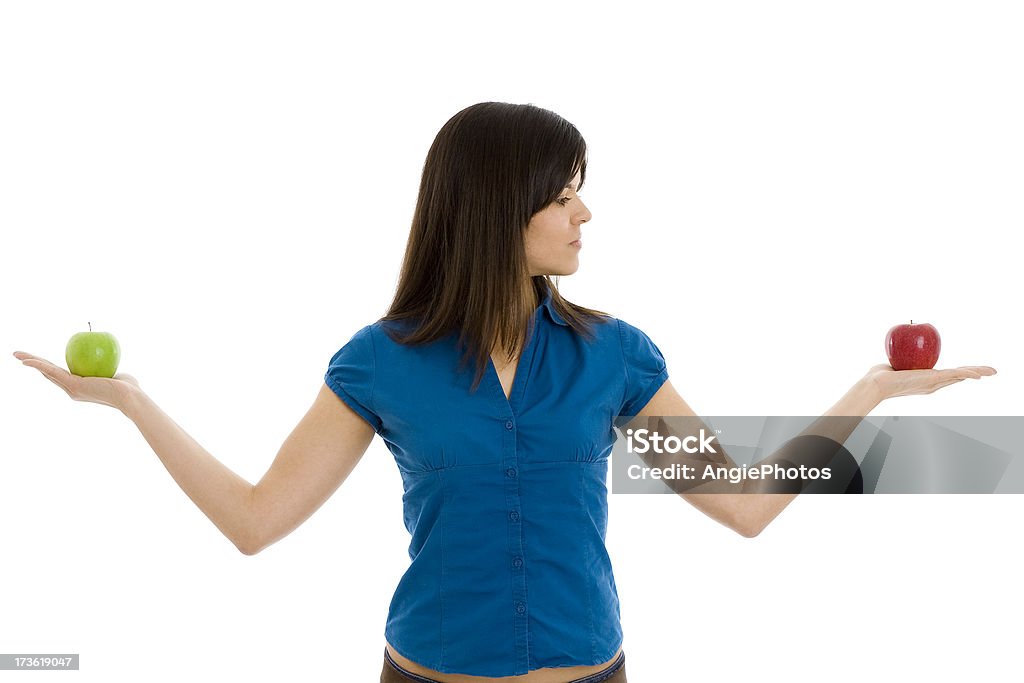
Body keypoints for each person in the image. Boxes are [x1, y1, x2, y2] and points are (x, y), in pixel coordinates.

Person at [13, 101, 997, 683]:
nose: (585, 212)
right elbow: (255, 519)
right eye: (563, 193)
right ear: (499, 207)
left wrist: (866, 390)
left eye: (580, 190)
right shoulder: (379, 360)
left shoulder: (614, 353)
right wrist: (134, 400)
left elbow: (742, 505)